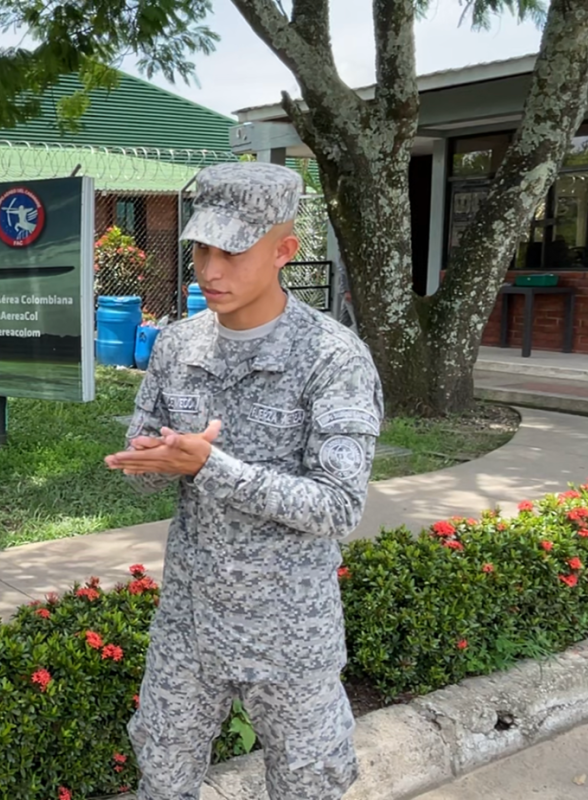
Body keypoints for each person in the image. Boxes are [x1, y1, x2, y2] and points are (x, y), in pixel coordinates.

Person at [105, 162, 383, 800]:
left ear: (285, 250)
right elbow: (147, 456)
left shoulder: (332, 358)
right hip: (190, 623)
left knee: (307, 785)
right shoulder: (177, 345)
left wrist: (211, 467)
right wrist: (151, 459)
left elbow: (340, 507)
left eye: (232, 250)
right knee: (163, 774)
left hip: (289, 633)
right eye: (202, 248)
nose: (210, 269)